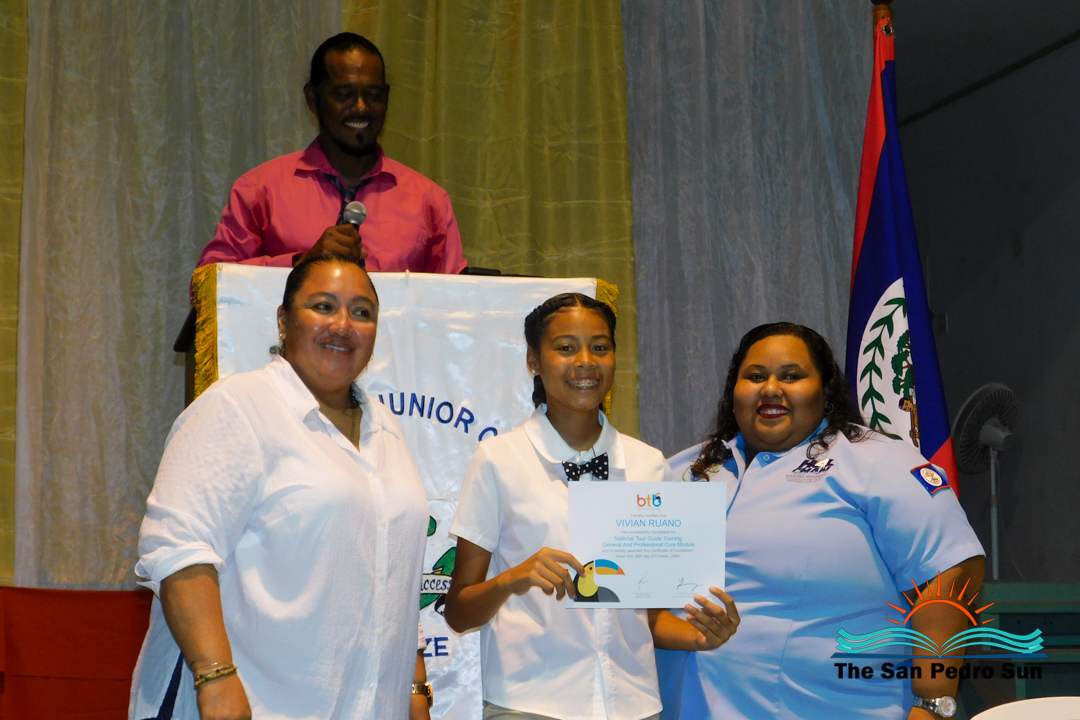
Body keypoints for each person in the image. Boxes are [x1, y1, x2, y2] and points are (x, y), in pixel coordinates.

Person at [130, 255, 433, 720]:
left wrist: (414, 685)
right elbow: (179, 549)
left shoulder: (385, 426)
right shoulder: (239, 406)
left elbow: (392, 571)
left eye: (362, 312)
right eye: (323, 306)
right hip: (255, 703)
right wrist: (214, 676)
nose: (343, 325)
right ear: (283, 320)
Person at [663, 323, 985, 720]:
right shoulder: (683, 470)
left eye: (791, 376)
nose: (770, 389)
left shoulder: (876, 462)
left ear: (825, 390)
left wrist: (931, 706)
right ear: (734, 391)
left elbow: (951, 569)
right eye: (756, 376)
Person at [444, 293, 740, 720]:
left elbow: (645, 615)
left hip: (633, 704)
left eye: (600, 347)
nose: (585, 361)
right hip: (529, 704)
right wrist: (513, 579)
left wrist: (701, 636)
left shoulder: (648, 464)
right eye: (566, 348)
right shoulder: (499, 460)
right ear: (533, 360)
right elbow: (458, 612)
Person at [196, 33, 467, 274]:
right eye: (344, 94)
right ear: (313, 99)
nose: (361, 108)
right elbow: (208, 285)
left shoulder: (428, 201)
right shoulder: (260, 190)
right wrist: (302, 263)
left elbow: (457, 303)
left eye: (374, 94)